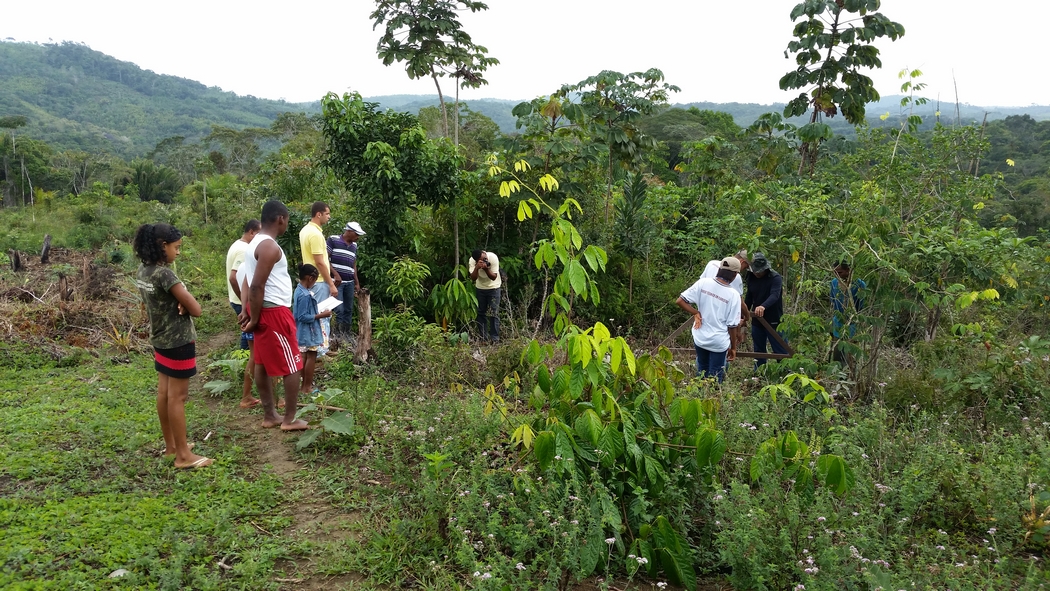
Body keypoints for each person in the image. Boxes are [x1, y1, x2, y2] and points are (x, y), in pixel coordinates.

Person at [133, 223, 212, 469]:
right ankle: (183, 456)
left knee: (164, 394)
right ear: (162, 246)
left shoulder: (143, 271)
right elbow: (197, 309)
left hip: (159, 339)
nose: (178, 253)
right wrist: (186, 302)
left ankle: (172, 447)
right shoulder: (165, 274)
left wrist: (180, 302)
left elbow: (157, 301)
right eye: (176, 248)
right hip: (178, 341)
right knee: (178, 397)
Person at [238, 200, 309, 431]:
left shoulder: (254, 243)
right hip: (273, 312)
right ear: (280, 219)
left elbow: (247, 280)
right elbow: (257, 285)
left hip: (261, 310)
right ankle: (289, 419)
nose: (286, 223)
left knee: (261, 362)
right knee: (293, 364)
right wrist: (255, 317)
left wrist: (245, 309)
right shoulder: (269, 247)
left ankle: (270, 415)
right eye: (286, 220)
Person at [676, 256, 743, 382]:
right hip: (718, 342)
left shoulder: (703, 283)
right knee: (716, 374)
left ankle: (700, 397)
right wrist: (733, 348)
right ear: (734, 275)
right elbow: (732, 326)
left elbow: (680, 301)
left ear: (720, 270)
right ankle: (713, 398)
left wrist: (695, 312)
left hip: (700, 338)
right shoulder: (733, 295)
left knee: (702, 370)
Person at [225, 219, 261, 409]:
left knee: (251, 349)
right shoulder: (243, 250)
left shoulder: (238, 246)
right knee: (254, 352)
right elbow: (234, 276)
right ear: (252, 232)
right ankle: (244, 381)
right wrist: (245, 302)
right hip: (244, 304)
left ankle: (243, 377)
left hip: (243, 303)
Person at [299, 201, 336, 354]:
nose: (329, 217)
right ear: (318, 214)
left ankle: (315, 348)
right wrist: (331, 283)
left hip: (311, 280)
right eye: (327, 213)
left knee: (314, 314)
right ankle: (321, 350)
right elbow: (319, 261)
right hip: (319, 280)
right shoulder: (315, 234)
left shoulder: (305, 230)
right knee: (323, 315)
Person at [744, 251, 788, 368]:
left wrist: (763, 306)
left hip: (774, 319)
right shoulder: (751, 277)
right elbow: (749, 297)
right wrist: (743, 312)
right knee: (759, 350)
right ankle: (759, 373)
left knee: (780, 349)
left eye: (760, 271)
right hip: (757, 319)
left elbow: (775, 295)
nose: (757, 273)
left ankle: (785, 373)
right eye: (755, 271)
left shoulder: (775, 278)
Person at [700, 249, 751, 345]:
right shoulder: (736, 276)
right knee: (723, 347)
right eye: (746, 267)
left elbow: (701, 285)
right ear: (742, 262)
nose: (744, 270)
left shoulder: (711, 264)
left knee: (703, 347)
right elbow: (739, 302)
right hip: (721, 318)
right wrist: (747, 316)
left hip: (704, 314)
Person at [294, 264, 331, 395]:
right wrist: (322, 315)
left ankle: (303, 386)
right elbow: (302, 316)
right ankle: (307, 387)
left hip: (302, 331)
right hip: (309, 331)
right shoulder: (305, 295)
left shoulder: (299, 290)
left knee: (305, 356)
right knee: (311, 356)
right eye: (315, 280)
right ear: (310, 278)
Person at [327, 221, 365, 338]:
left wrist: (357, 283)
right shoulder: (333, 240)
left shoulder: (354, 246)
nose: (358, 237)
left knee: (348, 310)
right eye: (356, 234)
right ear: (349, 231)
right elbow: (325, 260)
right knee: (339, 310)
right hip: (337, 283)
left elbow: (353, 265)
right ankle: (337, 337)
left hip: (349, 283)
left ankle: (346, 336)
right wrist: (335, 274)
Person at [830, 261, 866, 366]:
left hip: (852, 324)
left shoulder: (859, 284)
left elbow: (860, 306)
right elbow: (833, 301)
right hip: (837, 323)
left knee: (850, 356)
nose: (837, 275)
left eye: (840, 272)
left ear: (848, 271)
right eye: (835, 273)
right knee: (837, 354)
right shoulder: (834, 283)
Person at [469, 248, 501, 343]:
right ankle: (483, 337)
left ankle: (495, 338)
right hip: (480, 288)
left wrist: (486, 269)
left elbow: (493, 277)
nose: (485, 260)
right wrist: (477, 268)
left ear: (484, 253)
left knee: (494, 313)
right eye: (482, 260)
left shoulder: (493, 257)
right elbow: (473, 278)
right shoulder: (472, 261)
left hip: (494, 288)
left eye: (485, 258)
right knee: (481, 313)